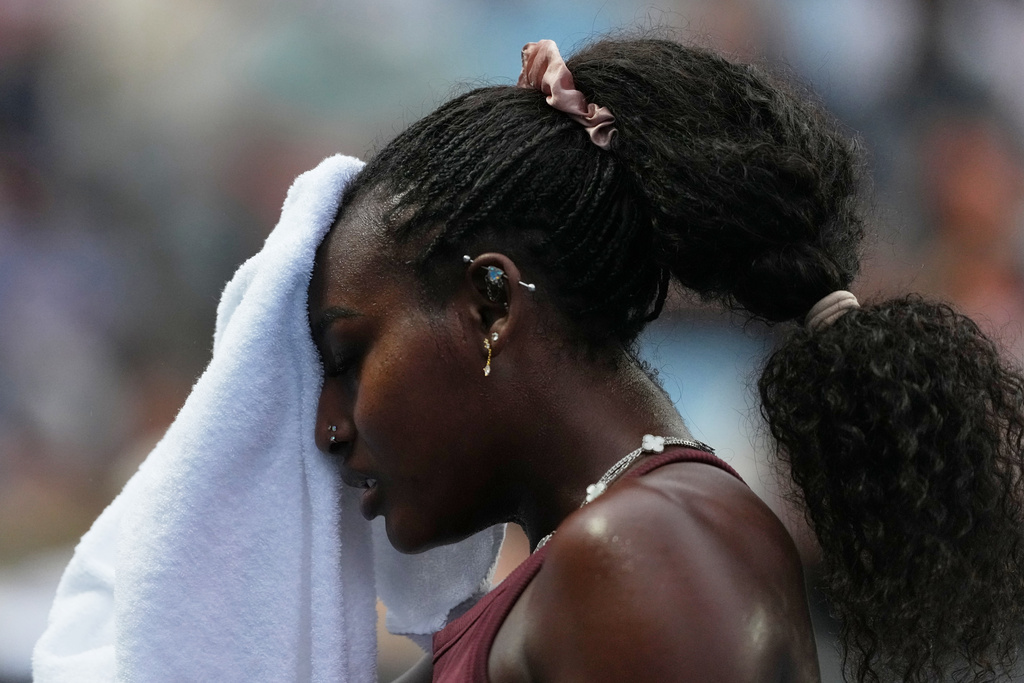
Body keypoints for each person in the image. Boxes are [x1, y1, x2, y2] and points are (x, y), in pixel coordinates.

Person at [306, 37, 1024, 683]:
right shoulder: (613, 551)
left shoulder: (633, 554)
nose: (328, 424)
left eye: (347, 356)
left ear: (493, 301)